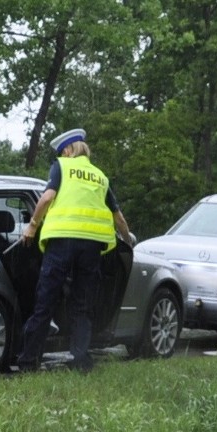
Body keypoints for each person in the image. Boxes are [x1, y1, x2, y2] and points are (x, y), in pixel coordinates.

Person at [16, 128, 132, 373]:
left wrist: (32, 226)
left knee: (45, 300)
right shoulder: (99, 176)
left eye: (62, 152)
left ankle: (28, 362)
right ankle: (80, 362)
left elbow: (47, 198)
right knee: (82, 304)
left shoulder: (62, 166)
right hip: (91, 246)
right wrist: (127, 240)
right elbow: (117, 216)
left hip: (61, 242)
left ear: (68, 150)